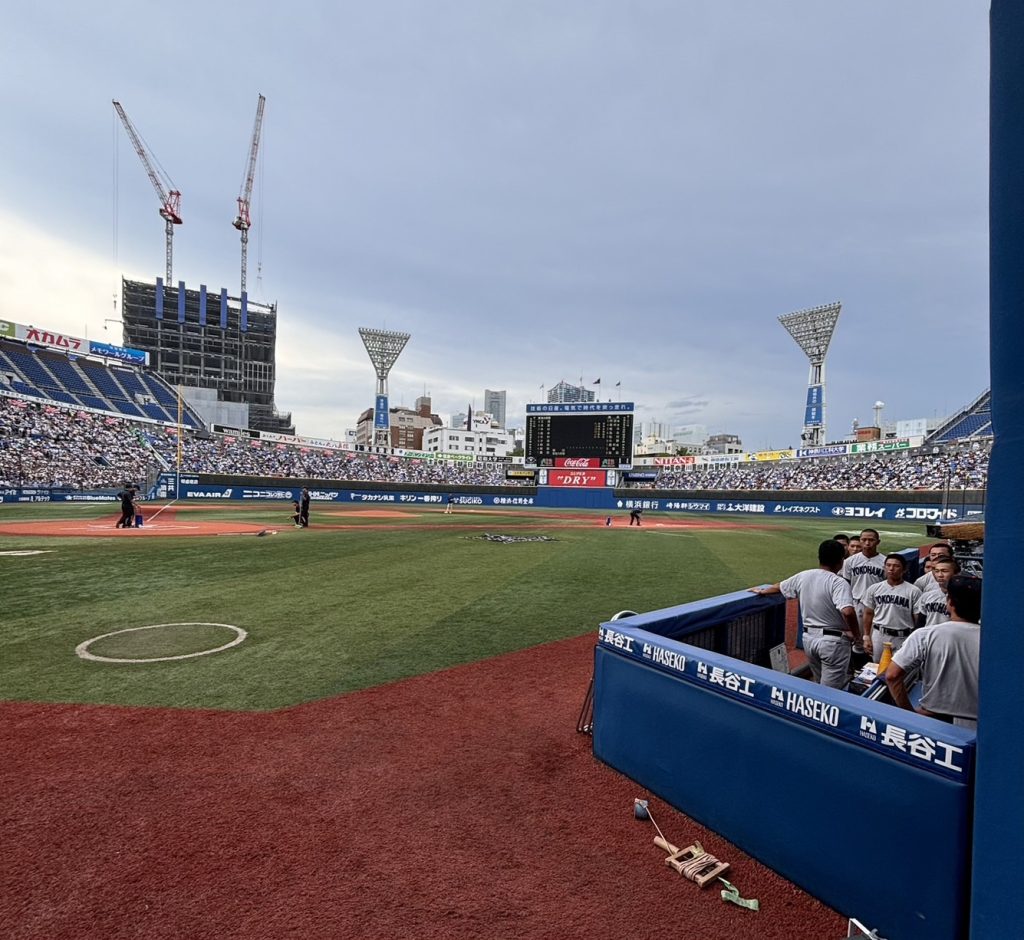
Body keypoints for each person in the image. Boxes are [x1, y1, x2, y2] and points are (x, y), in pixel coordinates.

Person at [750, 539, 859, 690]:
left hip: (809, 640)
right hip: (832, 643)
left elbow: (780, 587)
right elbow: (847, 611)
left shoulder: (804, 575)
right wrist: (856, 634)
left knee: (819, 684)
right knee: (831, 692)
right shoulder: (838, 582)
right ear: (841, 561)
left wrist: (763, 591)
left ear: (819, 557)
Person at [885, 575, 982, 729]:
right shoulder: (993, 641)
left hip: (934, 721)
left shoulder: (926, 634)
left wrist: (909, 713)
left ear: (949, 602)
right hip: (979, 723)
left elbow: (892, 675)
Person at [861, 554, 922, 662]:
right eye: (888, 565)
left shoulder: (914, 591)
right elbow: (868, 613)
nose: (891, 569)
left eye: (896, 566)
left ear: (904, 569)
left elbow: (917, 618)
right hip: (879, 635)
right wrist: (866, 636)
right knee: (877, 667)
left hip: (903, 636)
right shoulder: (874, 589)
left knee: (901, 668)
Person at [842, 528, 886, 666]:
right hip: (857, 603)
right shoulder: (850, 562)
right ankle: (858, 669)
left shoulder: (885, 561)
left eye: (871, 540)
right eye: (864, 540)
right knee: (859, 641)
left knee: (876, 641)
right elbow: (846, 584)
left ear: (878, 542)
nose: (867, 543)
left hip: (879, 605)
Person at [917, 558, 961, 627]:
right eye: (937, 571)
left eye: (944, 571)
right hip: (929, 633)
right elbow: (921, 622)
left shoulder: (964, 597)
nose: (940, 575)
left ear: (956, 574)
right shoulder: (927, 595)